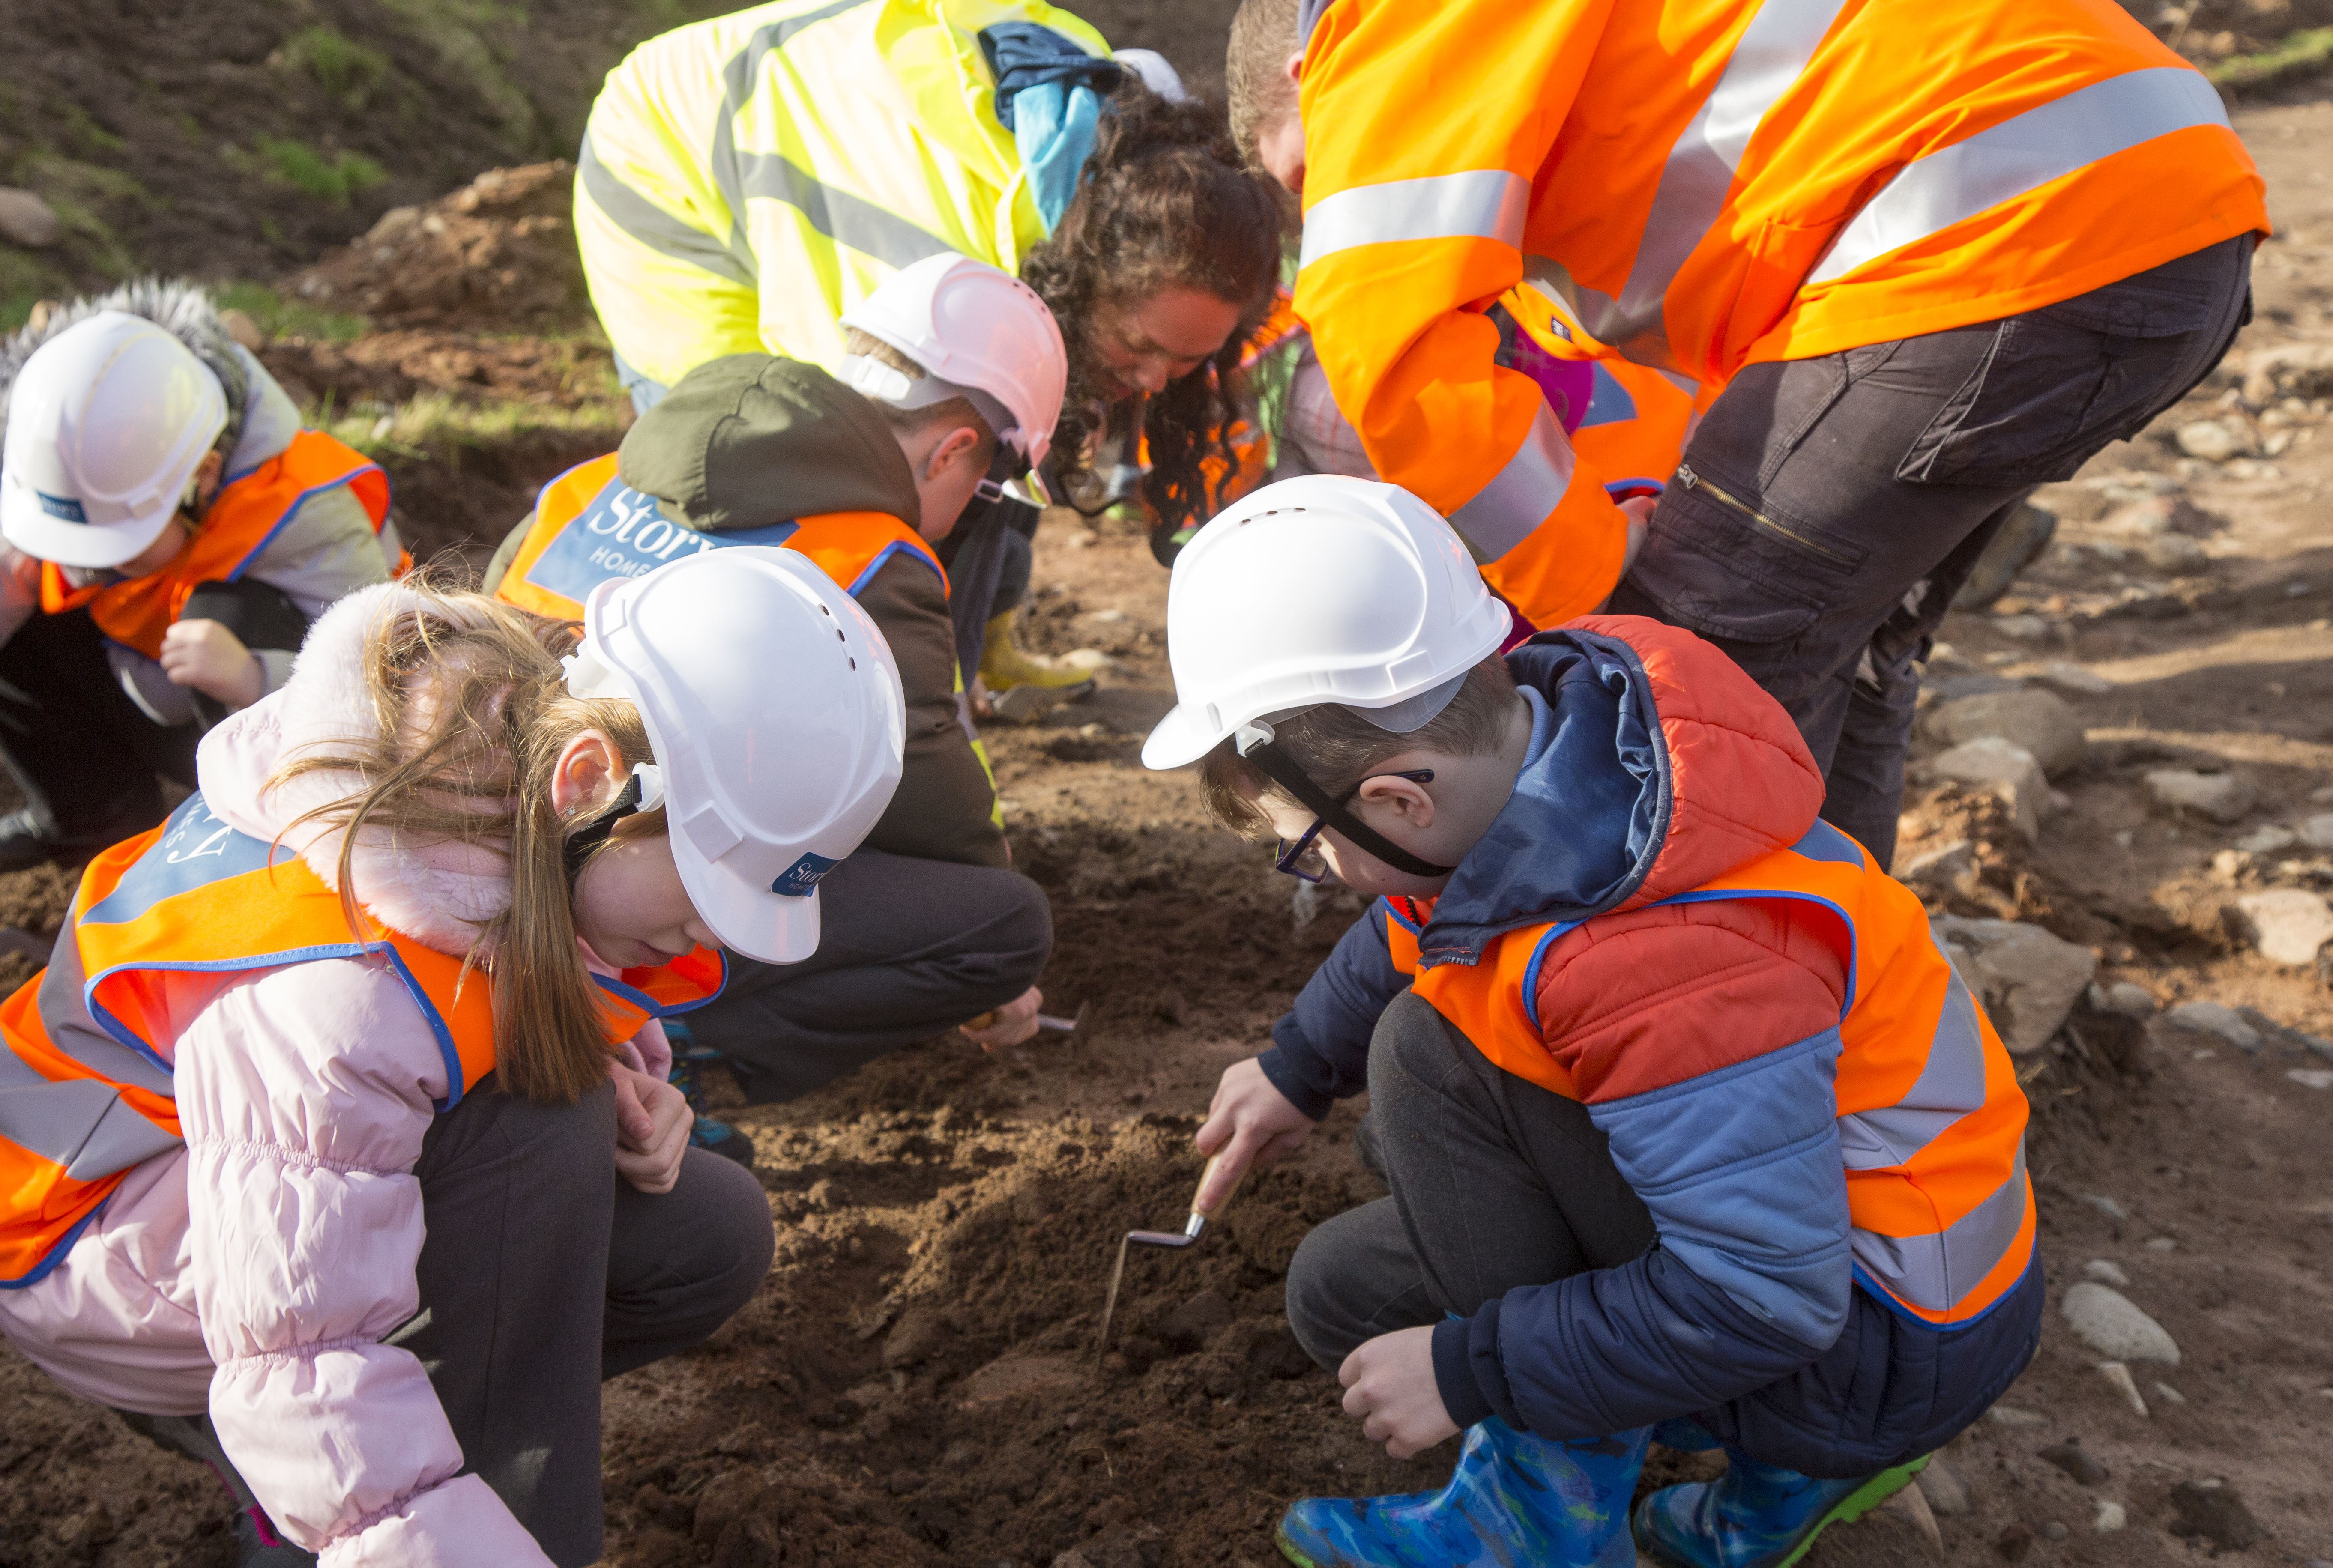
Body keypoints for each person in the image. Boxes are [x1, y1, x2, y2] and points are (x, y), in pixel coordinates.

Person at [1147, 477, 2039, 1568]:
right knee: (1347, 1291)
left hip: (1868, 1338)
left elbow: (1762, 1297)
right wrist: (1293, 1067)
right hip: (1880, 1274)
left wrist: (1471, 1373)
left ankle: (1542, 1520)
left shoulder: (1661, 954)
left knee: (1425, 1061)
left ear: (1398, 800)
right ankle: (1781, 1488)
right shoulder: (1569, 751)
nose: (1325, 874)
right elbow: (1424, 911)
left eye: (1311, 846)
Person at [0, 550, 906, 1566]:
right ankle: (319, 1518)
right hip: (94, 1264)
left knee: (704, 1228)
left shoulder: (482, 787)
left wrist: (626, 1085)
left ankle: (414, 1464)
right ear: (590, 783)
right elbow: (299, 1345)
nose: (710, 932)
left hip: (203, 1210)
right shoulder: (337, 988)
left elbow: (505, 987)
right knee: (532, 1127)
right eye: (704, 882)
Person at [1226, 0, 2267, 868]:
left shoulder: (1373, 29)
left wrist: (1586, 576)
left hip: (1991, 217)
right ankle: (1847, 1026)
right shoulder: (1589, 75)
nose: (1332, 208)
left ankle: (1703, 1055)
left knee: (1674, 676)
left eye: (1304, 179)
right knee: (1836, 654)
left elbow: (1385, 333)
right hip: (2139, 196)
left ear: (1305, 68)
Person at [485, 254, 1058, 1121]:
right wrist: (992, 976)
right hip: (629, 883)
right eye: (978, 496)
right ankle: (682, 1046)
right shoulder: (869, 555)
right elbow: (930, 809)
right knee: (1001, 923)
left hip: (480, 840)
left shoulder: (591, 481)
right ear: (953, 451)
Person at [575, 0, 1285, 690]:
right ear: (1085, 276)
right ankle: (705, 701)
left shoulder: (1127, 180)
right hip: (666, 161)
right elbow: (859, 472)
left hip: (825, 115)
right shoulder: (911, 257)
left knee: (1012, 424)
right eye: (1138, 345)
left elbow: (1017, 453)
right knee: (761, 469)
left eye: (1187, 363)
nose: (1156, 382)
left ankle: (987, 646)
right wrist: (933, 737)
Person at [0, 282, 403, 869]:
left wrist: (251, 675)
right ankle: (93, 822)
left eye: (120, 540)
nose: (88, 561)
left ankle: (254, 851)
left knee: (226, 614)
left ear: (204, 476)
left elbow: (388, 679)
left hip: (276, 724)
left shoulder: (306, 515)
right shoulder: (68, 460)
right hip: (149, 674)